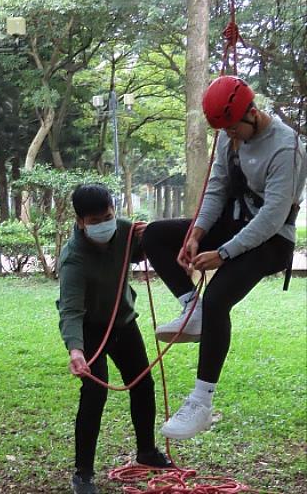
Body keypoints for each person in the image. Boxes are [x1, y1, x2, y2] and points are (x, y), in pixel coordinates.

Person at [142, 76, 306, 440]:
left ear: (252, 113)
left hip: (271, 239)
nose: (230, 137)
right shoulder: (228, 137)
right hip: (233, 223)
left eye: (234, 129)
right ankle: (191, 307)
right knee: (154, 235)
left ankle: (201, 402)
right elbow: (216, 186)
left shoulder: (287, 148)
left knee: (218, 299)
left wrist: (224, 253)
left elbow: (273, 216)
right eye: (224, 131)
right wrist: (197, 234)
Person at [57, 184, 171, 494]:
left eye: (107, 216)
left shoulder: (124, 231)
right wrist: (76, 351)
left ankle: (147, 451)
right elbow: (70, 311)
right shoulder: (73, 260)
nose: (103, 224)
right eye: (94, 221)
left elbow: (143, 251)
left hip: (122, 322)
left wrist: (150, 239)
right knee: (94, 395)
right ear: (80, 221)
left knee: (142, 385)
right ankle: (83, 473)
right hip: (91, 328)